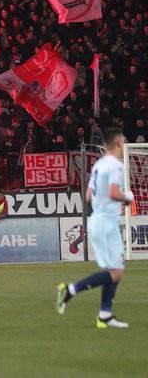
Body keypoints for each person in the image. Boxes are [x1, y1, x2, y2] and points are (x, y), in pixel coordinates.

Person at [56, 128, 135, 328]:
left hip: (98, 220)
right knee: (115, 272)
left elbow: (88, 195)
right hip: (106, 223)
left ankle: (104, 315)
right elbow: (114, 192)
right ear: (118, 143)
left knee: (114, 269)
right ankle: (71, 289)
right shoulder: (116, 166)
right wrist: (127, 197)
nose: (124, 144)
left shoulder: (99, 164)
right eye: (123, 141)